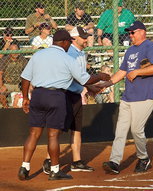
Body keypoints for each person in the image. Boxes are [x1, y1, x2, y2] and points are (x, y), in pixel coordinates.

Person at [18, 29, 110, 181]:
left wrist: (26, 97)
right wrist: (99, 76)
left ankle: (24, 167)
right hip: (56, 96)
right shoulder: (67, 58)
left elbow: (25, 78)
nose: (70, 45)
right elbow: (85, 80)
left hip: (38, 95)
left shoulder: (38, 54)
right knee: (53, 135)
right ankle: (55, 170)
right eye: (69, 42)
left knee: (33, 134)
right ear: (65, 42)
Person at [97, 21, 153, 174]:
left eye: (133, 32)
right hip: (128, 96)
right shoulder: (130, 50)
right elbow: (122, 72)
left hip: (145, 96)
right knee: (120, 130)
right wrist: (106, 84)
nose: (130, 35)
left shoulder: (150, 46)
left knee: (136, 129)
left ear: (142, 32)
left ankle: (144, 158)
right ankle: (114, 161)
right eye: (129, 32)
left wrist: (137, 72)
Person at [42, 27, 109, 174]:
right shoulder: (68, 53)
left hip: (76, 94)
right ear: (74, 38)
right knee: (57, 129)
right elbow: (71, 76)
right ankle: (48, 160)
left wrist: (89, 88)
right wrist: (93, 83)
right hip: (64, 94)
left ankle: (76, 161)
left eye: (86, 37)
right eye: (83, 37)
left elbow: (81, 76)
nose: (86, 40)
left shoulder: (81, 53)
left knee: (76, 128)